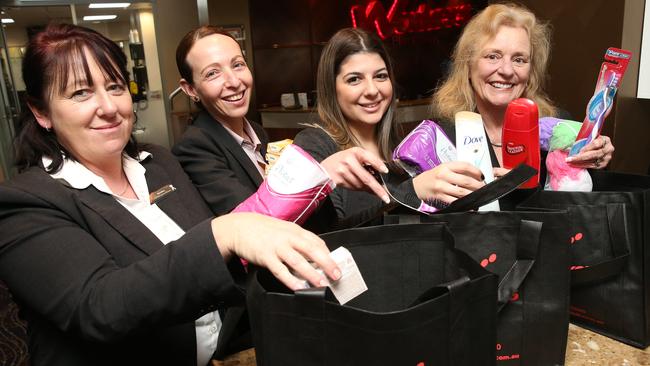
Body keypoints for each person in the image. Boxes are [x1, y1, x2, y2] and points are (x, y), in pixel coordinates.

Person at [0, 23, 340, 366]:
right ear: (40, 111)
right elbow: (100, 305)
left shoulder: (157, 162)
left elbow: (206, 272)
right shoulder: (25, 202)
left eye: (115, 87)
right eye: (80, 93)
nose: (108, 107)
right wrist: (224, 232)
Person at [172, 26, 389, 217]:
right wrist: (317, 175)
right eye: (212, 73)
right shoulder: (194, 147)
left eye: (238, 65)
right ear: (190, 89)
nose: (234, 81)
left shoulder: (257, 133)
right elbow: (250, 226)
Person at [293, 27, 485, 231]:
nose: (372, 90)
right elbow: (325, 236)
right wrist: (411, 193)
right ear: (331, 88)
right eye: (354, 79)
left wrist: (481, 181)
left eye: (380, 76)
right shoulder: (315, 145)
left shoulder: (402, 148)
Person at [431, 2, 615, 180]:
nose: (506, 70)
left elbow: (582, 197)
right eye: (492, 56)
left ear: (530, 72)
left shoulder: (558, 129)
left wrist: (598, 157)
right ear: (468, 66)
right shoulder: (441, 138)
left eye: (519, 59)